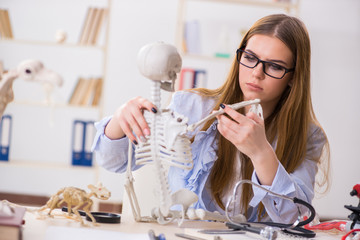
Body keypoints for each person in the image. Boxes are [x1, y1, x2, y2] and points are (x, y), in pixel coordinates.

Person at [92, 13, 330, 224]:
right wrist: (119, 120)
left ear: (293, 77)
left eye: (275, 67)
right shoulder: (191, 106)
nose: (256, 73)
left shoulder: (309, 136)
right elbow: (112, 161)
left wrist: (261, 153)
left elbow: (297, 216)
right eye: (249, 57)